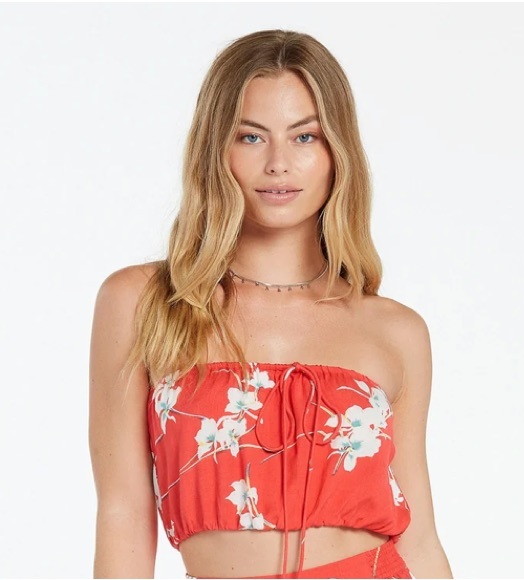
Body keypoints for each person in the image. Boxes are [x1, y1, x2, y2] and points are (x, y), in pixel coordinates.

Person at [89, 29, 453, 579]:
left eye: (305, 137)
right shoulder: (143, 302)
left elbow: (420, 538)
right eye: (251, 137)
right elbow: (122, 514)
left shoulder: (395, 330)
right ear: (216, 149)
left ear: (337, 152)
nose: (279, 163)